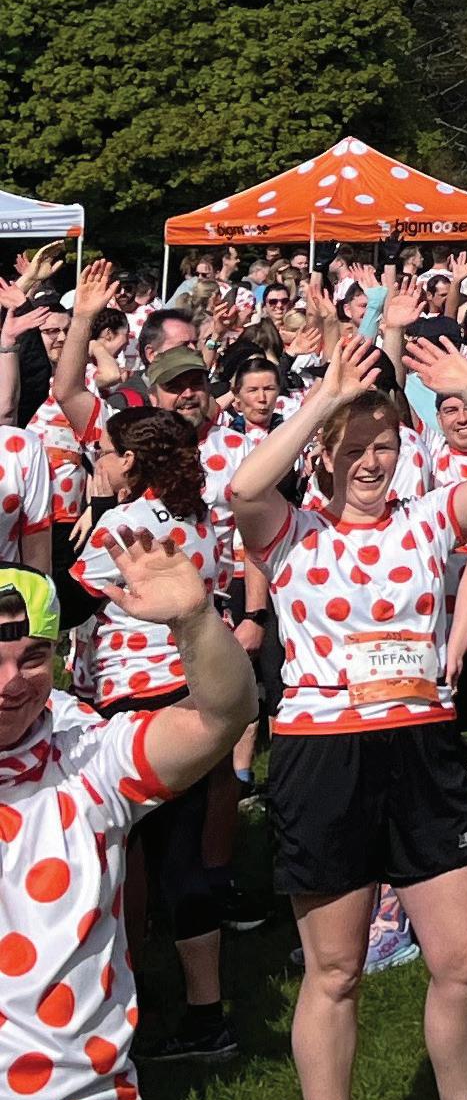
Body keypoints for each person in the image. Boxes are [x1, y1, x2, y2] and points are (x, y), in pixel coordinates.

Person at [228, 327, 467, 1100]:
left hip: (423, 750)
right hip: (325, 755)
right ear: (324, 454)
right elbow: (244, 487)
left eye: (386, 446)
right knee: (335, 970)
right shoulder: (290, 530)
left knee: (465, 957)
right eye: (354, 447)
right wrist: (323, 402)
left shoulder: (428, 518)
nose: (371, 461)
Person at [0, 540, 255, 1100]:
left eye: (33, 657)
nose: (11, 681)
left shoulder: (87, 756)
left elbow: (223, 715)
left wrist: (195, 621)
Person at [72, 409, 242, 1063]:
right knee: (183, 854)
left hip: (133, 702)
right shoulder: (199, 518)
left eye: (105, 451)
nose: (98, 460)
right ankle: (206, 1010)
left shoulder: (123, 523)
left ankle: (127, 1003)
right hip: (192, 692)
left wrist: (91, 513)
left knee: (127, 859)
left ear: (129, 460)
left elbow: (68, 599)